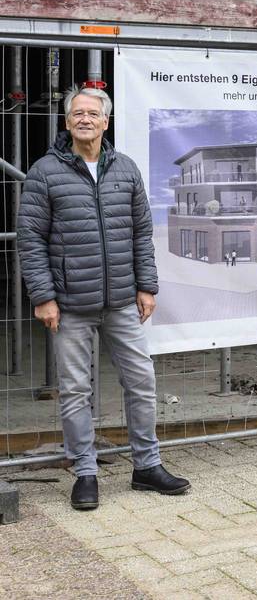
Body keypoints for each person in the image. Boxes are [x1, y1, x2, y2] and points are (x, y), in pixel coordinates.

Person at [17, 85, 190, 510]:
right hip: (70, 303)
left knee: (141, 382)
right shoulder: (45, 171)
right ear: (66, 122)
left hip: (120, 301)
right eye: (77, 113)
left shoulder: (125, 169)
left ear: (106, 122)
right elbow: (31, 239)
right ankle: (86, 473)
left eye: (93, 113)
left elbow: (141, 233)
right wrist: (43, 296)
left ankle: (147, 467)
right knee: (75, 390)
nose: (85, 119)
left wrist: (146, 286)